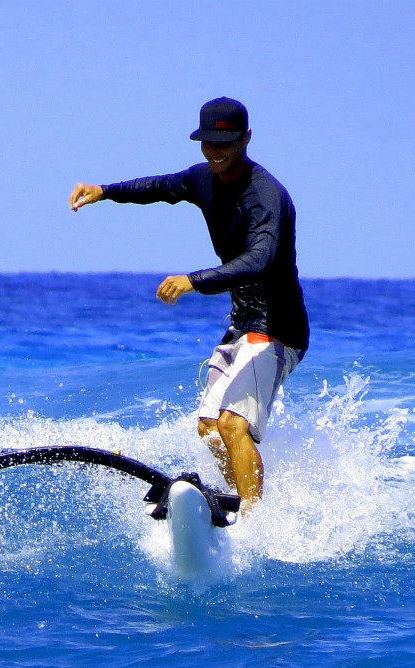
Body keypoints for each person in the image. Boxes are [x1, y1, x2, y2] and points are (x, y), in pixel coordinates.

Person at [69, 97, 309, 508]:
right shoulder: (204, 178)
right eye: (208, 142)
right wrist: (105, 191)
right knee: (210, 428)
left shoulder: (265, 196)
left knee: (234, 424)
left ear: (246, 138)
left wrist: (193, 281)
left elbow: (261, 259)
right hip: (242, 325)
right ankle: (239, 503)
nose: (216, 151)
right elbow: (160, 187)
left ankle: (255, 519)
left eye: (226, 143)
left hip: (277, 329)